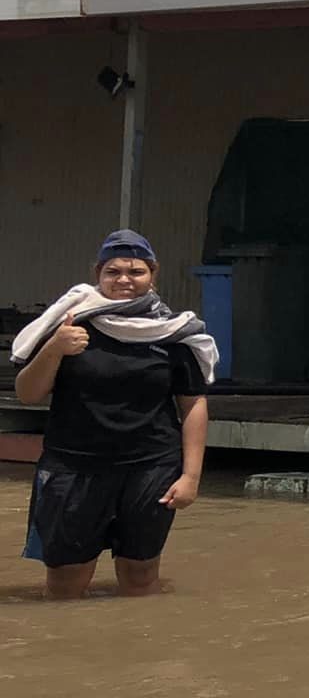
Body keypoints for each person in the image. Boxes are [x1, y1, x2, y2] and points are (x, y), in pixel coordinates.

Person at [10, 230, 215, 599]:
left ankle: (138, 652)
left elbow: (193, 404)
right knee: (65, 583)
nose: (124, 279)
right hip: (73, 466)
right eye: (113, 271)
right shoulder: (69, 325)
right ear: (98, 274)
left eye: (135, 271)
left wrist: (191, 476)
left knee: (140, 577)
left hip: (151, 467)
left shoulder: (173, 333)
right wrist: (55, 349)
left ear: (153, 274)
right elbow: (28, 394)